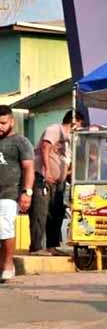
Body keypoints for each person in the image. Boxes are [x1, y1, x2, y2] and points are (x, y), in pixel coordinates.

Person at [30, 110, 83, 256]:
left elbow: (66, 163)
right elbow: (45, 147)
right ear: (74, 121)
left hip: (59, 183)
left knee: (57, 212)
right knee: (40, 212)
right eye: (79, 125)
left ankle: (52, 245)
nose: (79, 129)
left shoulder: (69, 142)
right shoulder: (55, 130)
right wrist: (47, 170)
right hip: (43, 178)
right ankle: (36, 247)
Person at [0, 105, 35, 283]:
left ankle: (8, 266)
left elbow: (29, 168)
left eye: (3, 123)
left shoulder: (20, 142)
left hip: (10, 193)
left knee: (4, 227)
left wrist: (27, 192)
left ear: (12, 121)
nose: (0, 126)